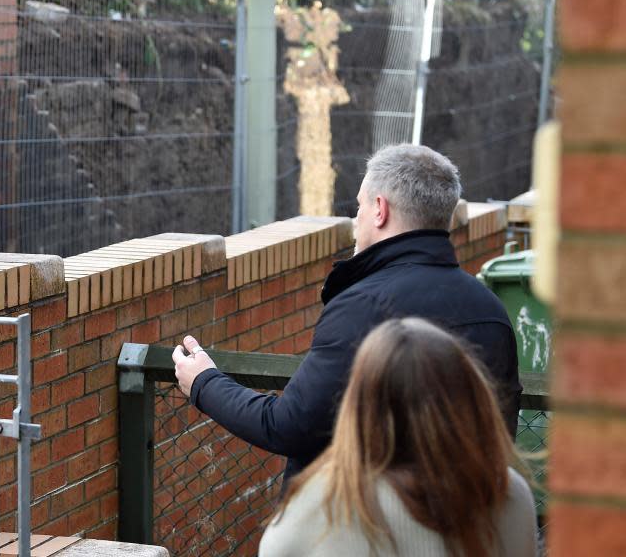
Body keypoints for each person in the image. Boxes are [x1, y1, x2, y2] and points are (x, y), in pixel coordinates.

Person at [172, 144, 520, 484]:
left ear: (380, 210)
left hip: (365, 533)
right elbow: (500, 436)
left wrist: (204, 382)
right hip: (470, 529)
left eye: (359, 207)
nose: (357, 220)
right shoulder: (490, 310)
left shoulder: (363, 307)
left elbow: (288, 427)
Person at [258, 318, 537, 557]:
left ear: (358, 408)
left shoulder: (318, 507)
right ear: (471, 399)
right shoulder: (506, 494)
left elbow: (273, 547)